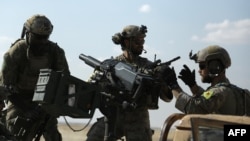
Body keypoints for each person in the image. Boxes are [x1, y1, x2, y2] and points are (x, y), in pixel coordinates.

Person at [86, 25, 173, 141]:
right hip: (114, 115)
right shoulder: (112, 64)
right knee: (93, 137)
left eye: (143, 41)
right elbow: (92, 86)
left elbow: (167, 98)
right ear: (127, 42)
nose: (141, 44)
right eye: (138, 41)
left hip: (138, 119)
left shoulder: (149, 66)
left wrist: (163, 81)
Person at [0, 14, 70, 141]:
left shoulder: (55, 52)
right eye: (38, 38)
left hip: (45, 101)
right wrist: (27, 109)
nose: (42, 42)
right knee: (13, 130)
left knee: (52, 134)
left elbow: (64, 80)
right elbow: (6, 89)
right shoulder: (16, 52)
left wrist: (49, 105)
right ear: (28, 33)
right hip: (19, 100)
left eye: (45, 37)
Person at [163, 45, 249, 115]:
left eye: (202, 66)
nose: (199, 71)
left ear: (215, 67)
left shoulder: (221, 92)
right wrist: (193, 86)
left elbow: (194, 108)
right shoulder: (232, 91)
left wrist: (173, 85)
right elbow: (207, 100)